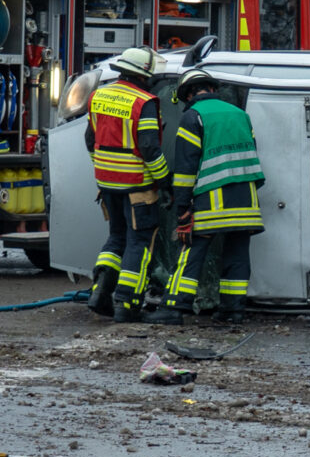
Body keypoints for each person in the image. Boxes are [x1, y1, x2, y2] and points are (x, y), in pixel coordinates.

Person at [163, 71, 263, 324]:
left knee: (191, 250)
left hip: (211, 200)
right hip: (246, 200)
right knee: (238, 253)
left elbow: (186, 166)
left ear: (188, 93)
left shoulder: (193, 116)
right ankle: (233, 310)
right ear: (211, 88)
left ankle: (175, 307)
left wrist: (183, 208)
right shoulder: (241, 115)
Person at [84, 47, 170, 321]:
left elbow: (90, 140)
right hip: (138, 186)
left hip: (107, 183)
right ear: (144, 74)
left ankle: (99, 292)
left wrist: (104, 168)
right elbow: (149, 148)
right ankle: (127, 304)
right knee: (139, 242)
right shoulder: (144, 102)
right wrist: (165, 180)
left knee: (116, 238)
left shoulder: (99, 95)